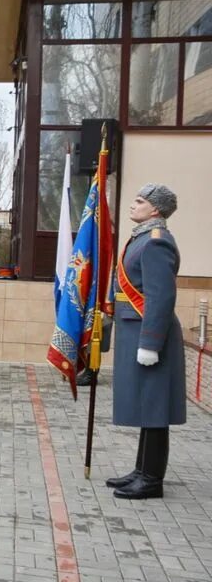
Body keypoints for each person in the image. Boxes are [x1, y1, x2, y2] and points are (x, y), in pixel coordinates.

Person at [106, 184, 186, 500]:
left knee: (154, 407)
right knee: (145, 404)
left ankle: (152, 480)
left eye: (140, 201)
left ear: (155, 209)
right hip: (134, 328)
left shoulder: (156, 243)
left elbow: (161, 296)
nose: (133, 205)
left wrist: (151, 342)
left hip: (150, 334)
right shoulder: (141, 239)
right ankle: (141, 471)